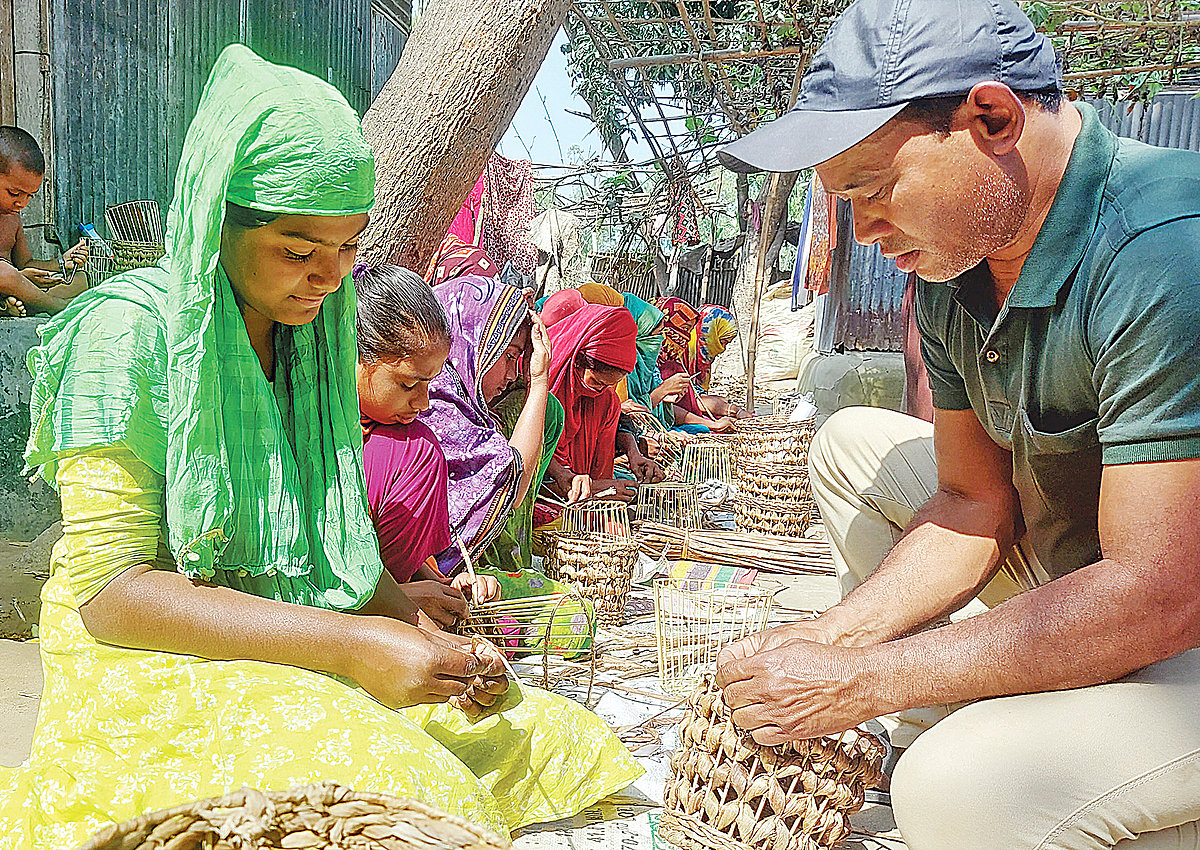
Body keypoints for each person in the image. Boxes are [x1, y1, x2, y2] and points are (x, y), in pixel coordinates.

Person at [0, 46, 640, 848]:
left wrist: (399, 615)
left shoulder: (317, 338)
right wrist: (354, 645)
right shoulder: (125, 334)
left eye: (347, 248)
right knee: (396, 781)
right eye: (299, 252)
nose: (330, 278)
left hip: (297, 628)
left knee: (547, 737)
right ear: (213, 218)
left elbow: (313, 540)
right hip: (145, 655)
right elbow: (111, 594)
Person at [712, 0, 1200, 848]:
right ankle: (976, 717)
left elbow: (1160, 595)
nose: (864, 233)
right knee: (852, 444)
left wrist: (863, 680)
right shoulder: (954, 268)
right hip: (1099, 584)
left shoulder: (1164, 248)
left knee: (954, 792)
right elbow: (973, 502)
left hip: (1175, 616)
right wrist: (829, 640)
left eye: (874, 192)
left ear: (992, 117)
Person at [355, 263, 502, 625]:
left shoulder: (407, 443)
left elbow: (401, 561)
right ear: (352, 357)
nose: (423, 404)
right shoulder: (296, 432)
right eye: (408, 385)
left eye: (430, 384)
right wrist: (394, 601)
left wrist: (443, 585)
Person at [541, 303, 641, 504]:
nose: (598, 391)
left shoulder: (606, 403)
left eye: (609, 385)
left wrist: (600, 490)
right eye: (595, 382)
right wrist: (590, 488)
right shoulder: (537, 392)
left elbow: (601, 474)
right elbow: (525, 479)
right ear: (575, 361)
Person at [0, 126, 88, 316]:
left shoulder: (12, 218)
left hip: (17, 286)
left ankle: (23, 303)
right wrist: (19, 278)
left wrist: (62, 263)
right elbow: (11, 274)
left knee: (81, 280)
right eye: (14, 193)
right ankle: (55, 306)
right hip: (7, 281)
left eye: (30, 196)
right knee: (4, 273)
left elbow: (25, 263)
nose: (22, 202)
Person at [656, 297, 738, 430]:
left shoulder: (674, 358)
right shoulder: (665, 362)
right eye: (685, 328)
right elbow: (661, 406)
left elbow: (691, 397)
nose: (686, 337)